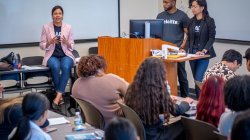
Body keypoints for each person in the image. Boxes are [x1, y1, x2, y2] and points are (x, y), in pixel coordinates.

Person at [124, 57, 193, 140]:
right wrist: (186, 102)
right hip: (156, 136)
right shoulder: (158, 91)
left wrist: (167, 100)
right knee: (185, 124)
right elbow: (177, 111)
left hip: (139, 132)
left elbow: (149, 105)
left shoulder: (132, 87)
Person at [72, 55, 129, 124]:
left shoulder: (76, 84)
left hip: (92, 124)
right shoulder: (111, 79)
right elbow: (133, 93)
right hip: (118, 124)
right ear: (100, 68)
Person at [40, 5, 75, 108]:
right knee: (55, 67)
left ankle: (57, 97)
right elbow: (41, 45)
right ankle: (60, 97)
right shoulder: (46, 27)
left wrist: (67, 42)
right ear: (52, 15)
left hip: (66, 55)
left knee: (66, 67)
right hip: (52, 55)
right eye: (55, 13)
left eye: (59, 13)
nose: (57, 15)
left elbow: (72, 45)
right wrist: (49, 42)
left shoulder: (68, 27)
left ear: (62, 15)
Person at [157, 0, 190, 97]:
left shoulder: (182, 16)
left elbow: (188, 34)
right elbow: (156, 33)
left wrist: (183, 46)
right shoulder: (160, 16)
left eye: (166, 2)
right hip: (163, 51)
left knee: (182, 75)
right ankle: (165, 98)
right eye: (163, 2)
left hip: (177, 51)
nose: (164, 4)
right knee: (164, 75)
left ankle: (186, 98)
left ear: (174, 2)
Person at [186, 0, 216, 98]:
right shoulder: (190, 21)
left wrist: (204, 50)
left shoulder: (209, 21)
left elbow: (211, 38)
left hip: (203, 55)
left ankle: (201, 102)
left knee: (198, 79)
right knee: (196, 80)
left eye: (195, 6)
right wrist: (184, 49)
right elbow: (189, 38)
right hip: (192, 55)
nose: (193, 9)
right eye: (192, 6)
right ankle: (199, 102)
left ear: (202, 7)